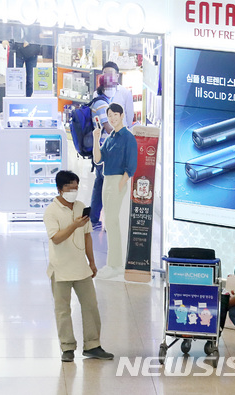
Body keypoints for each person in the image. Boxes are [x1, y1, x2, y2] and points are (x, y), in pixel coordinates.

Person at [43, 170, 113, 362]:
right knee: (63, 309)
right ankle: (67, 347)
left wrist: (91, 261)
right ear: (59, 189)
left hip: (81, 267)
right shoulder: (51, 211)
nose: (73, 191)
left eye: (75, 187)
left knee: (91, 305)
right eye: (69, 188)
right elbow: (56, 238)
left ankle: (93, 345)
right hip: (60, 268)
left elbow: (87, 235)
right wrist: (74, 225)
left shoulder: (80, 206)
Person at [92, 103, 137, 279]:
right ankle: (114, 264)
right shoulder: (110, 137)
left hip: (117, 181)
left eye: (114, 115)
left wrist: (121, 183)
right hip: (107, 180)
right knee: (109, 223)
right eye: (109, 115)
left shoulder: (128, 138)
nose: (111, 118)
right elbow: (98, 159)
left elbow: (131, 164)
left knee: (112, 222)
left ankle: (115, 264)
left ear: (121, 115)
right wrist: (96, 139)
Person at [90, 62, 134, 229]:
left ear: (117, 75)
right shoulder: (98, 95)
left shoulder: (124, 93)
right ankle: (103, 220)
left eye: (111, 74)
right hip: (104, 146)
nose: (108, 77)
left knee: (103, 182)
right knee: (107, 182)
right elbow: (103, 124)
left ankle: (97, 219)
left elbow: (129, 119)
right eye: (105, 74)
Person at [88, 75, 111, 230]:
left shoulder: (97, 101)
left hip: (99, 149)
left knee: (100, 183)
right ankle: (107, 220)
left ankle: (94, 218)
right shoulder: (102, 104)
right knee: (107, 184)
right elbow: (108, 128)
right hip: (103, 149)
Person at [15, 26, 40, 97]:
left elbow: (37, 32)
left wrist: (28, 41)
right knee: (17, 77)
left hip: (32, 51)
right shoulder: (17, 21)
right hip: (18, 51)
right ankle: (18, 96)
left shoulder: (34, 21)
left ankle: (28, 97)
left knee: (31, 79)